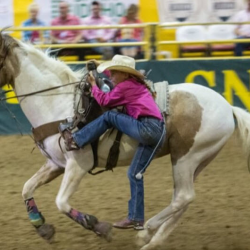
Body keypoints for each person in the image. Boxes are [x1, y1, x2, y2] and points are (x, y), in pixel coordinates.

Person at [59, 55, 165, 230]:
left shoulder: (125, 86)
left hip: (148, 129)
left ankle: (76, 139)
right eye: (111, 72)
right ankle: (136, 219)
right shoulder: (132, 83)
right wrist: (101, 67)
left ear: (124, 74)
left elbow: (104, 101)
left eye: (115, 72)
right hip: (157, 131)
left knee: (109, 116)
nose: (111, 75)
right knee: (134, 174)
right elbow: (112, 78)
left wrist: (93, 85)